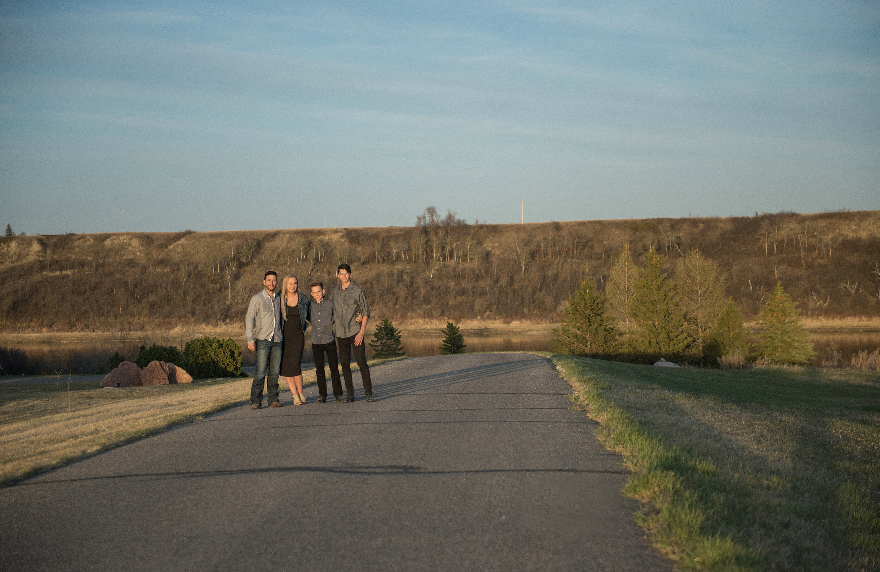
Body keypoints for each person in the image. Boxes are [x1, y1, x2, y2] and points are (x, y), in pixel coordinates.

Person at [331, 263, 373, 402]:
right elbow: (332, 312)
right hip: (341, 333)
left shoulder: (358, 291)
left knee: (361, 362)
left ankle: (368, 392)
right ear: (338, 275)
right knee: (345, 364)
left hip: (355, 331)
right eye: (341, 273)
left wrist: (361, 332)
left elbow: (365, 312)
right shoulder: (335, 292)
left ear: (350, 274)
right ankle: (350, 393)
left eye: (346, 273)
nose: (343, 276)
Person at [246, 271, 283, 409]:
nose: (271, 283)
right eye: (269, 280)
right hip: (263, 339)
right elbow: (249, 318)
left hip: (278, 339)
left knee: (274, 371)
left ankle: (273, 399)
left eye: (274, 280)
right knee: (261, 371)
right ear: (264, 282)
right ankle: (256, 401)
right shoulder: (257, 298)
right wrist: (250, 339)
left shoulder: (279, 298)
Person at [309, 282, 345, 403]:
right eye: (314, 292)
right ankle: (322, 394)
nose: (317, 294)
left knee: (334, 368)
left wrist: (330, 323)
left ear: (323, 291)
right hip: (316, 340)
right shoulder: (310, 305)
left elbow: (337, 315)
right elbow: (308, 317)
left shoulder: (330, 303)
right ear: (311, 294)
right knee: (319, 369)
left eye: (318, 291)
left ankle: (338, 393)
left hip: (329, 339)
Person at [280, 275, 310, 405]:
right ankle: (294, 395)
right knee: (287, 367)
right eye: (290, 283)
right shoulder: (279, 299)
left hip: (298, 336)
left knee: (296, 365)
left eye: (295, 283)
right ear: (285, 285)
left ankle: (301, 392)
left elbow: (310, 315)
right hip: (283, 336)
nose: (293, 286)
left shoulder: (303, 298)